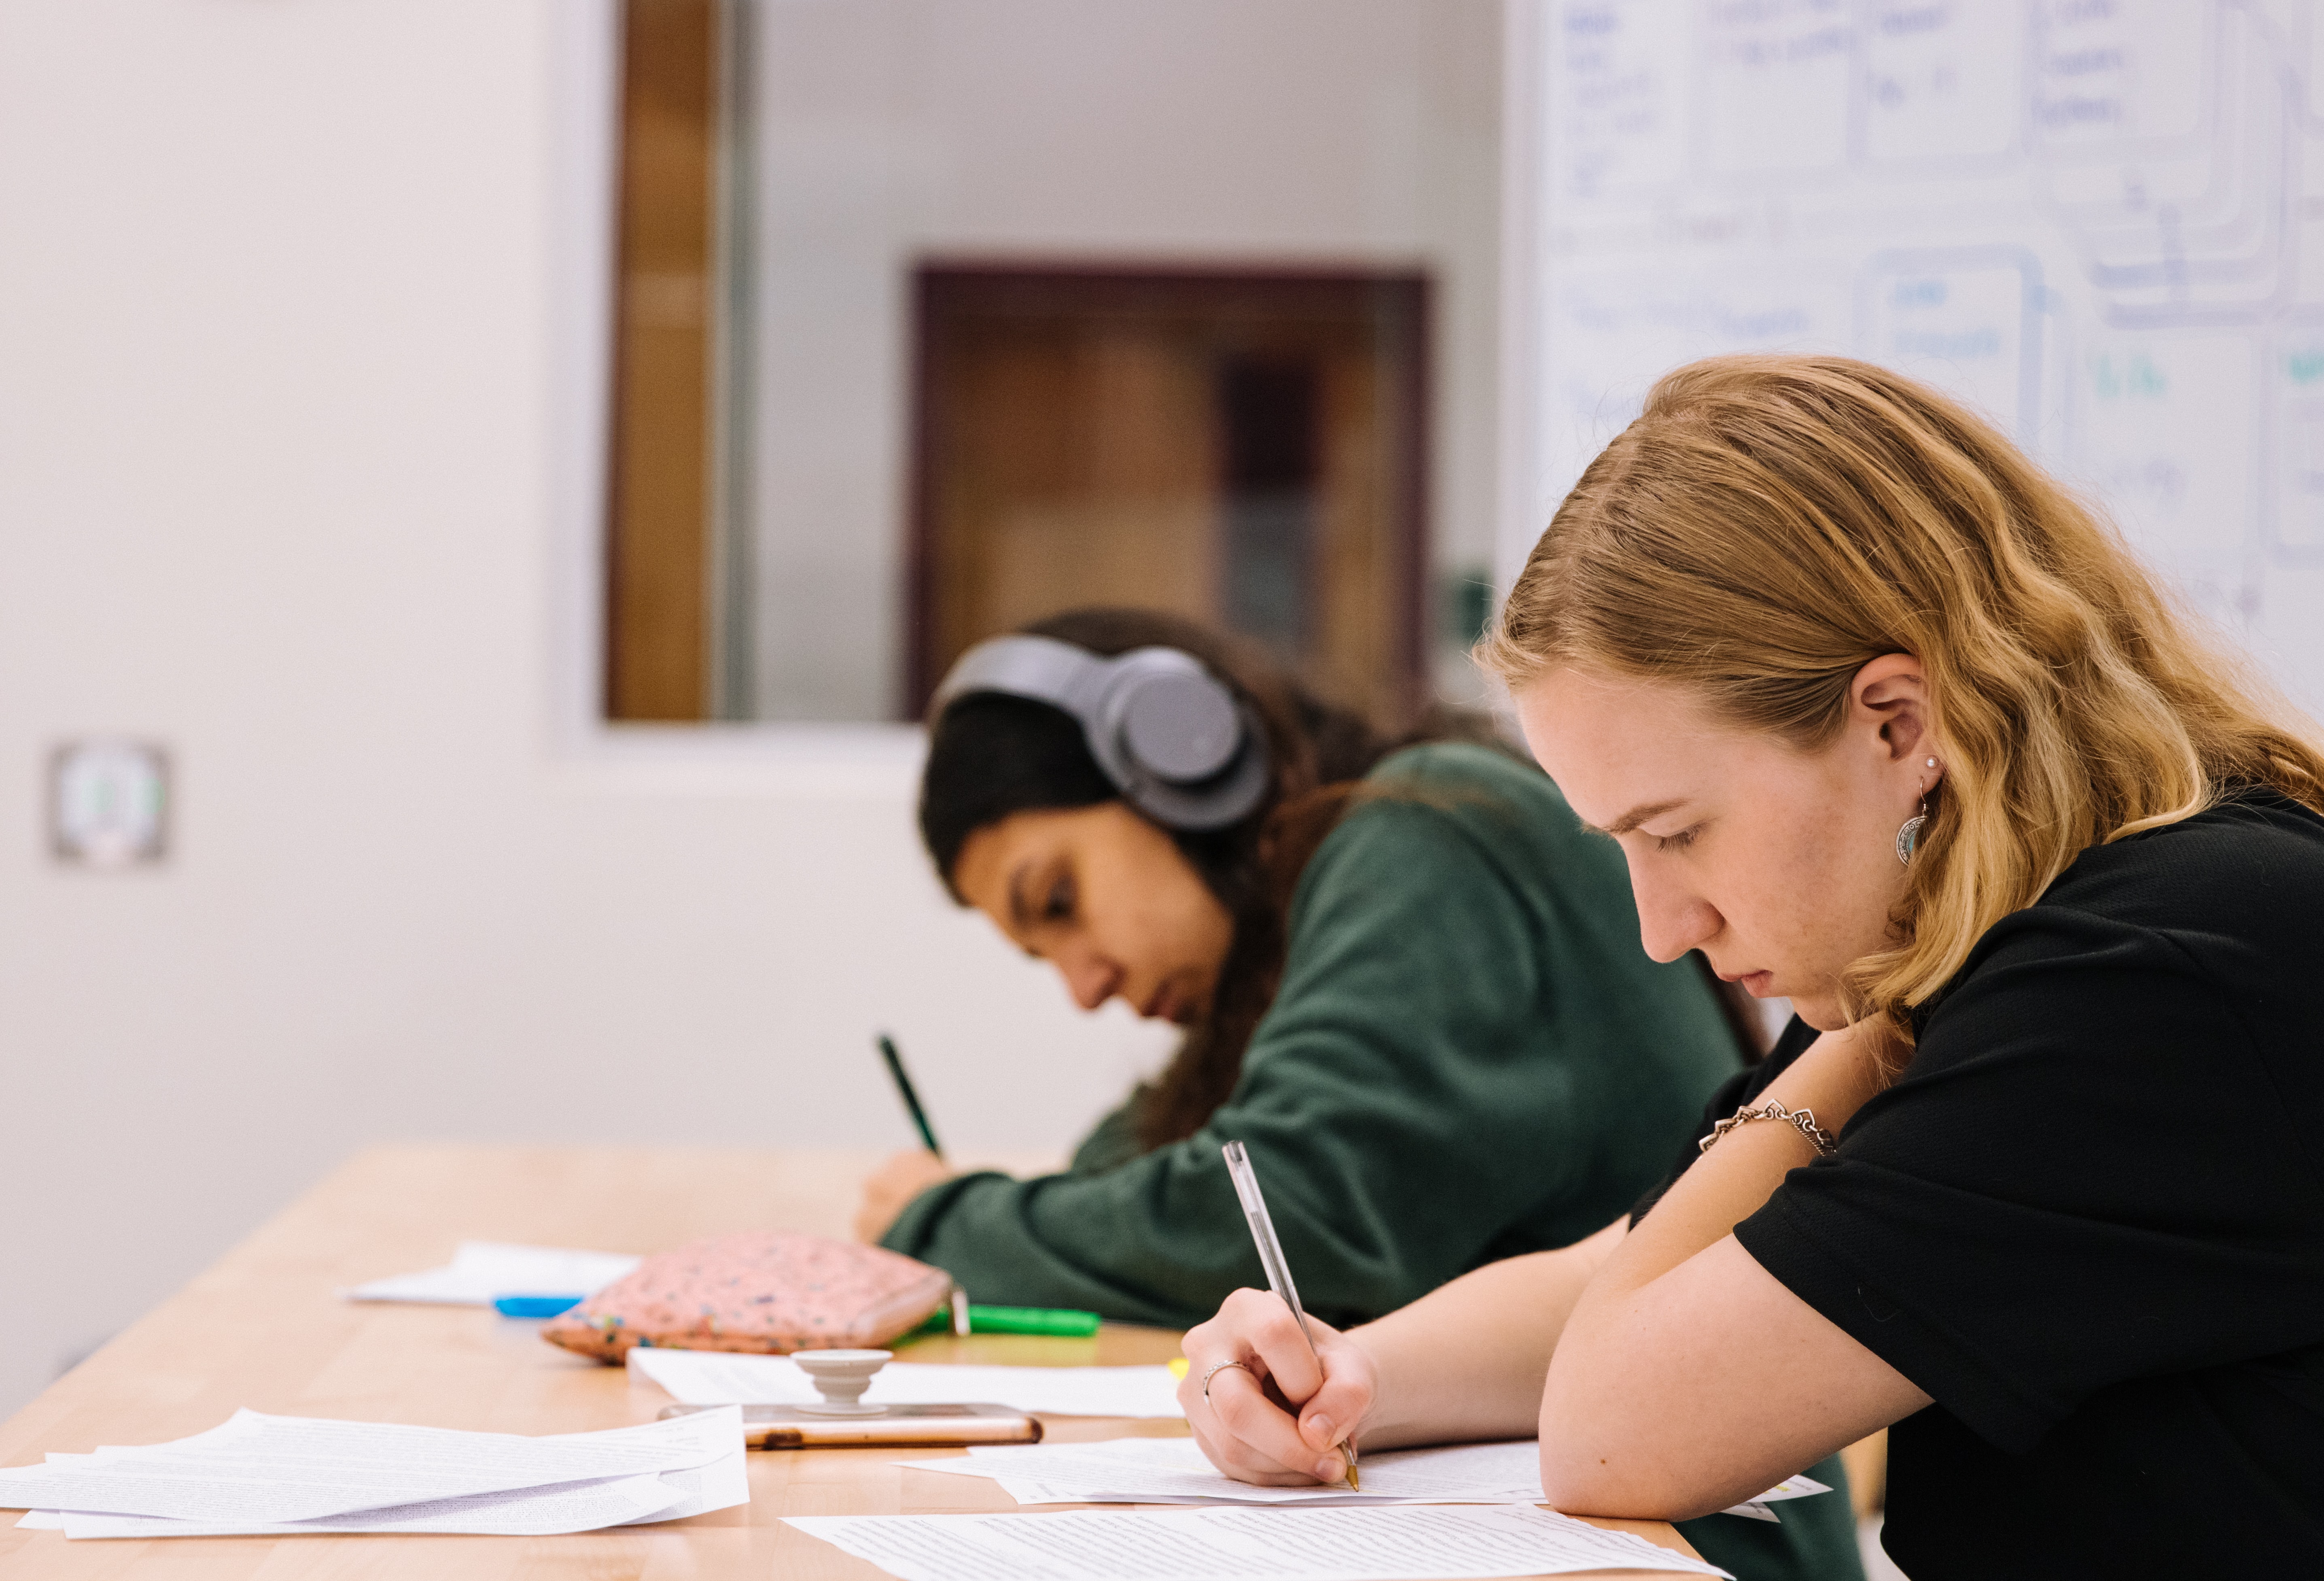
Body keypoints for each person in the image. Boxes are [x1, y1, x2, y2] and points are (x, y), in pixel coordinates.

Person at [1177, 354, 2324, 1577]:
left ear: (1901, 723)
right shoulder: (1986, 922)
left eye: (1677, 833)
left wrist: (1859, 1038)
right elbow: (1648, 1275)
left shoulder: (2153, 971)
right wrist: (1354, 1374)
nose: (1663, 930)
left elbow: (1620, 1430)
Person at [857, 606, 1866, 1581]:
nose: (1086, 987)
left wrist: (932, 1221)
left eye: (1061, 902)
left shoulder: (1430, 840)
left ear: (1181, 759)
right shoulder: (1305, 919)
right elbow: (1126, 1180)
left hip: (1682, 1553)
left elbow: (1280, 1215)